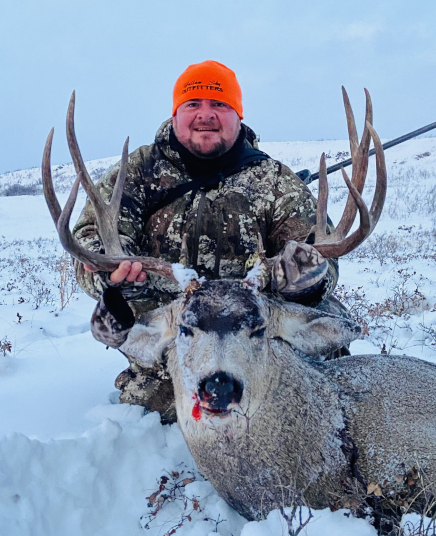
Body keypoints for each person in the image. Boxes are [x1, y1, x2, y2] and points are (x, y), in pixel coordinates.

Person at [74, 60, 347, 422]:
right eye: (193, 103)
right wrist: (114, 275)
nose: (206, 114)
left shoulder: (273, 180)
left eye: (220, 104)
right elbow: (91, 243)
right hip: (173, 343)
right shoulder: (139, 171)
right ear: (176, 114)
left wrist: (304, 278)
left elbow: (321, 256)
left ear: (237, 116)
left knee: (311, 406)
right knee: (159, 415)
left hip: (255, 344)